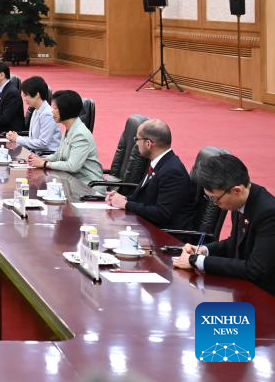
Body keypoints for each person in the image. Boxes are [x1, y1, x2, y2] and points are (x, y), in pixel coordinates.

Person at [174, 154, 275, 294]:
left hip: (265, 297)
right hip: (244, 289)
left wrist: (198, 261)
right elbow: (235, 242)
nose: (215, 204)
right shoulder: (241, 200)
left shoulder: (269, 213)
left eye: (215, 199)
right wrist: (204, 250)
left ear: (236, 191)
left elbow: (256, 269)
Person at [104, 119, 196, 230]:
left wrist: (126, 204)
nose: (136, 143)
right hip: (149, 228)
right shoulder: (160, 162)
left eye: (137, 139)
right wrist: (124, 198)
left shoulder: (173, 172)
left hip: (166, 236)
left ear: (148, 143)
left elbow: (162, 214)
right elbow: (146, 199)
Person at [27, 90, 104, 185]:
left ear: (65, 110)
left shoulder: (80, 135)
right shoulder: (69, 129)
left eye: (55, 108)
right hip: (71, 182)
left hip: (88, 186)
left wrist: (45, 164)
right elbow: (58, 155)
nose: (52, 111)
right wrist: (42, 159)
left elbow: (72, 166)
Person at [6, 76, 61, 153]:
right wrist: (17, 138)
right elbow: (33, 139)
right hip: (36, 153)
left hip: (47, 155)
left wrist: (18, 139)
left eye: (26, 95)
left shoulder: (48, 114)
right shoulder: (36, 110)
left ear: (37, 95)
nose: (24, 99)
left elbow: (43, 143)